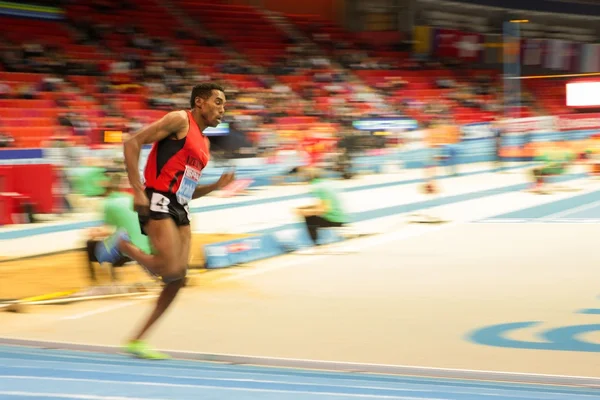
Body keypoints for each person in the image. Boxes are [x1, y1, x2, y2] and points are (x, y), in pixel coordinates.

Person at [96, 83, 235, 359]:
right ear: (200, 102)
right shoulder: (179, 120)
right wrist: (137, 189)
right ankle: (123, 244)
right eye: (218, 102)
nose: (223, 108)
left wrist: (215, 187)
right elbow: (132, 142)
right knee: (169, 269)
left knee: (177, 278)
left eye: (224, 104)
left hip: (180, 206)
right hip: (157, 199)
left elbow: (187, 190)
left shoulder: (204, 144)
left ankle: (137, 340)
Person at [86, 174, 150, 284]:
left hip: (127, 252)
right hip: (146, 248)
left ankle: (99, 281)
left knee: (91, 244)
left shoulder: (108, 203)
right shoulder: (130, 198)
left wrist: (94, 232)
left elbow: (107, 230)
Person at [295, 168, 348, 248]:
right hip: (343, 217)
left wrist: (303, 212)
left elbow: (323, 209)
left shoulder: (317, 187)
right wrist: (306, 208)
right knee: (310, 214)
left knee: (309, 218)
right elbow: (325, 203)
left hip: (335, 220)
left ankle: (315, 244)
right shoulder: (327, 184)